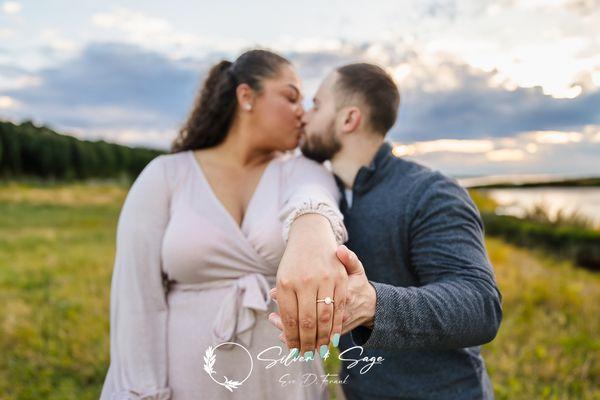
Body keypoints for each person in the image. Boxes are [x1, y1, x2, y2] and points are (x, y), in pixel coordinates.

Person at [99, 49, 350, 400]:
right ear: (246, 96)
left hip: (281, 381)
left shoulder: (303, 171)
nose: (302, 112)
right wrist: (143, 392)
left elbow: (315, 202)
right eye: (291, 97)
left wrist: (313, 231)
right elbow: (137, 300)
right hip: (184, 381)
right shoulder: (166, 175)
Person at [269, 63, 503, 399]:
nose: (305, 116)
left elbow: (481, 305)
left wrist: (372, 304)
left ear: (349, 120)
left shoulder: (430, 192)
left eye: (317, 105)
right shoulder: (328, 195)